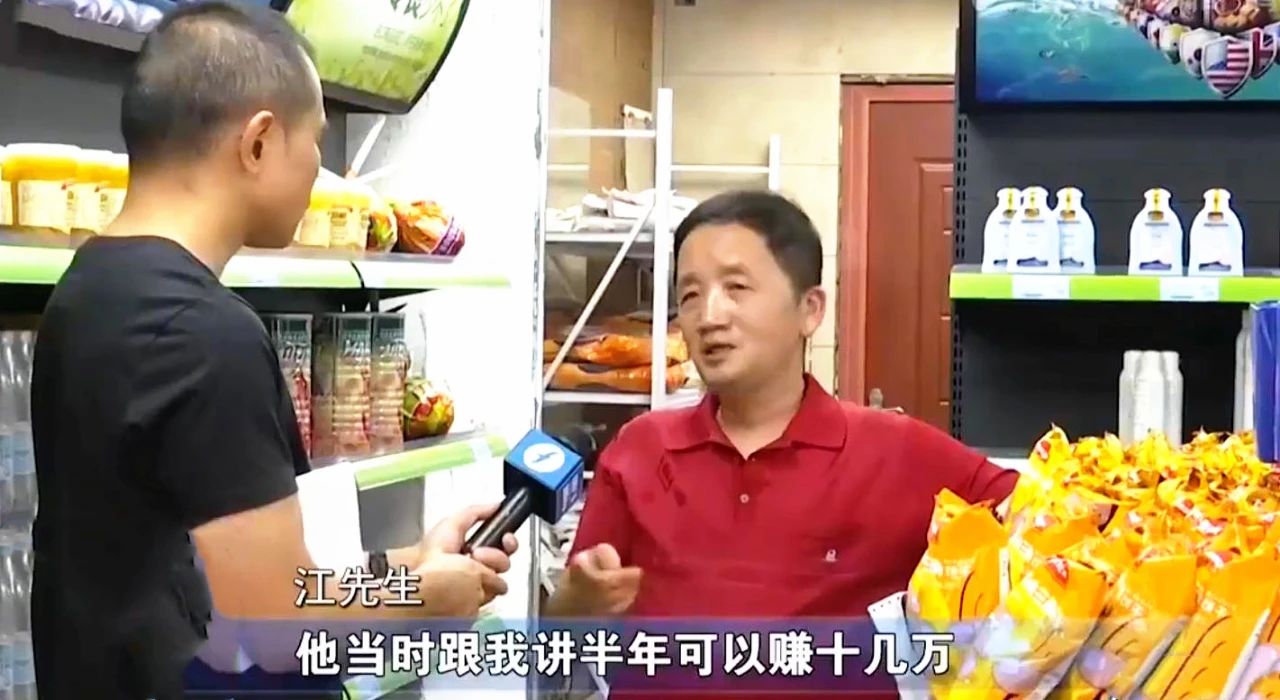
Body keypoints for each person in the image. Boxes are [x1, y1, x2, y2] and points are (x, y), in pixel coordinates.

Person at [29, 4, 516, 700]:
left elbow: (227, 575)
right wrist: (423, 601)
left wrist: (407, 565)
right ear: (258, 143)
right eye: (314, 142)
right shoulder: (204, 334)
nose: (319, 168)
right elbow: (279, 632)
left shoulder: (89, 289)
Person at [544, 189, 1019, 697]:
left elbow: (1042, 524)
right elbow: (564, 633)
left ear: (809, 310)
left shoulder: (900, 452)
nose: (709, 316)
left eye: (736, 287)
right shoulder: (640, 449)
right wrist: (577, 603)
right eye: (690, 294)